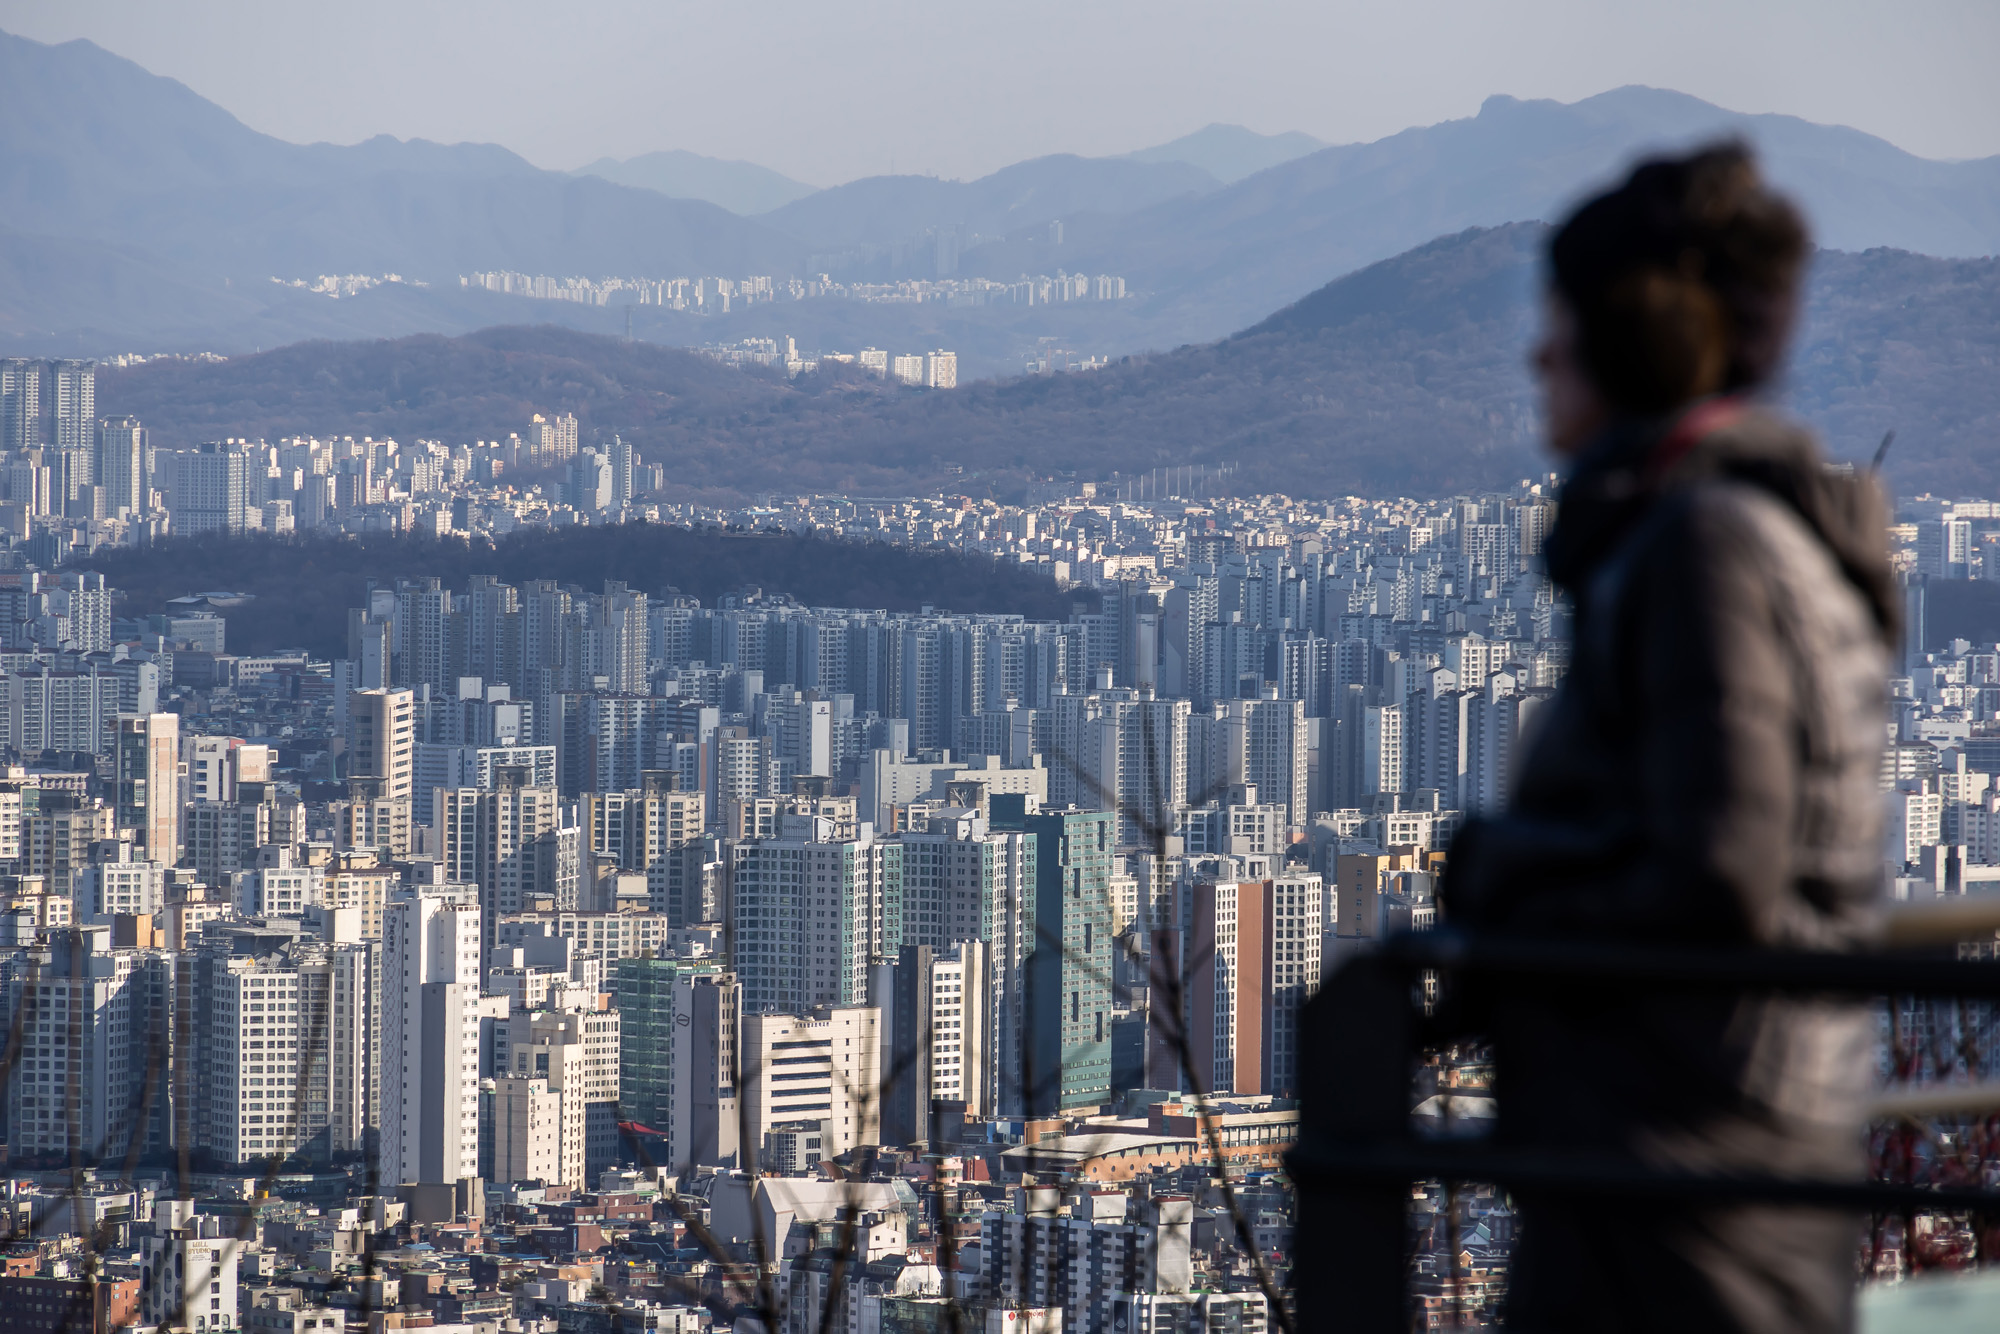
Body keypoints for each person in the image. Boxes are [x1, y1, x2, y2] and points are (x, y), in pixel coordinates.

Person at [1440, 144, 1899, 1331]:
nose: (1538, 353)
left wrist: (1505, 880)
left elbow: (1722, 867)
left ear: (1631, 338)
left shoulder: (1708, 545)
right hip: (1710, 1138)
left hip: (1681, 1167)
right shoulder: (1729, 530)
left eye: (1561, 322)